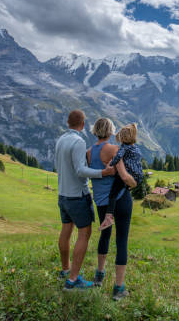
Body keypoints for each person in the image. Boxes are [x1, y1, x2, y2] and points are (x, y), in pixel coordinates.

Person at [55, 110, 115, 290]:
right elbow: (80, 170)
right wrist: (103, 172)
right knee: (84, 233)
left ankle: (65, 270)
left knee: (66, 230)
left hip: (62, 194)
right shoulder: (79, 141)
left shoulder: (61, 140)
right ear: (82, 124)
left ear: (68, 123)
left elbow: (59, 165)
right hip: (77, 195)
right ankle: (73, 280)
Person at [87, 118, 137, 300]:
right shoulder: (114, 150)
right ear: (110, 131)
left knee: (105, 235)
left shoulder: (89, 152)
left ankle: (99, 276)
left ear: (95, 130)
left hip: (100, 201)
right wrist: (135, 182)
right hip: (119, 199)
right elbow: (124, 176)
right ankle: (118, 288)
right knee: (122, 239)